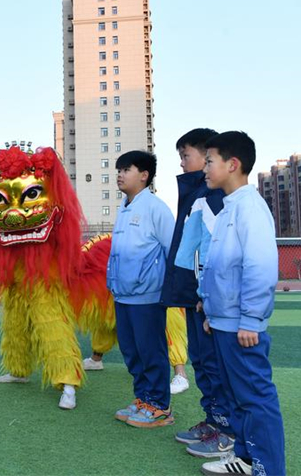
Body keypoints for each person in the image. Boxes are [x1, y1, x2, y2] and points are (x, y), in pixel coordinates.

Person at [197, 131, 284, 476]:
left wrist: (250, 319)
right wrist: (210, 308)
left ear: (233, 165)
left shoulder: (250, 207)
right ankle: (248, 459)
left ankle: (268, 469)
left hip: (241, 326)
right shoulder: (229, 207)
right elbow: (218, 266)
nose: (204, 169)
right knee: (237, 397)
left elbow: (260, 267)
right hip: (224, 321)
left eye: (209, 161)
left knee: (255, 400)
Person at [160, 128, 236, 458]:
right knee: (202, 362)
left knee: (215, 363)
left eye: (185, 156)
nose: (182, 163)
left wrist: (208, 296)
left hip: (208, 299)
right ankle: (213, 420)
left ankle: (227, 431)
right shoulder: (195, 193)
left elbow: (214, 253)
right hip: (194, 295)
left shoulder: (215, 197)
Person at [108, 150, 175, 428]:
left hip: (147, 297)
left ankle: (159, 406)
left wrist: (172, 291)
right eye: (119, 170)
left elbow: (173, 250)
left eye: (126, 169)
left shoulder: (155, 208)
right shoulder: (124, 208)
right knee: (132, 352)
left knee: (151, 352)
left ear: (144, 175)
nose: (120, 175)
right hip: (123, 296)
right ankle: (143, 399)